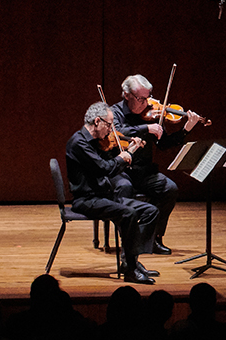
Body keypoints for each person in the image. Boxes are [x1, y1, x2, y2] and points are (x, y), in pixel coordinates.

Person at [110, 75, 206, 255]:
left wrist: (186, 129)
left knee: (170, 189)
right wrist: (145, 129)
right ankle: (128, 243)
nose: (146, 103)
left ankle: (154, 237)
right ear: (126, 95)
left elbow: (163, 144)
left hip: (144, 172)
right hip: (120, 171)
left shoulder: (152, 114)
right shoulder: (114, 112)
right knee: (124, 189)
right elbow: (117, 131)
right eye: (141, 98)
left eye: (148, 97)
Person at [64, 102, 159, 284]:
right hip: (87, 199)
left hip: (104, 196)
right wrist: (124, 157)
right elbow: (105, 168)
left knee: (150, 211)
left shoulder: (96, 143)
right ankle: (130, 270)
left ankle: (130, 260)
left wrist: (130, 150)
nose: (111, 129)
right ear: (97, 121)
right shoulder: (79, 143)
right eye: (109, 125)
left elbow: (112, 165)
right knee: (128, 214)